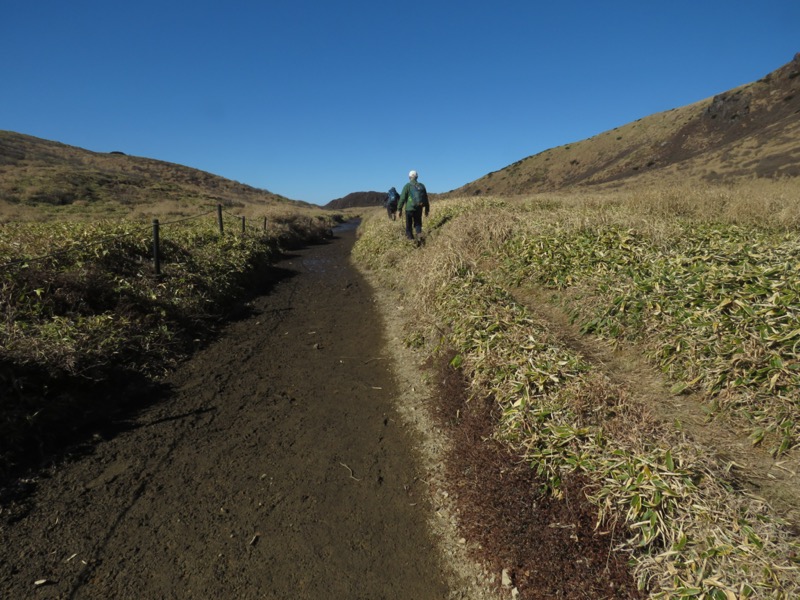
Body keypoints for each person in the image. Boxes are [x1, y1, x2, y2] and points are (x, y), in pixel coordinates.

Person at [397, 170, 430, 243]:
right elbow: (426, 198)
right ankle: (420, 237)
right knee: (418, 224)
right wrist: (427, 209)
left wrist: (399, 210)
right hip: (419, 208)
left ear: (409, 177)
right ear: (417, 177)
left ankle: (411, 241)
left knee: (409, 226)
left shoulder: (407, 186)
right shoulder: (422, 186)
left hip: (409, 209)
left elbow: (402, 198)